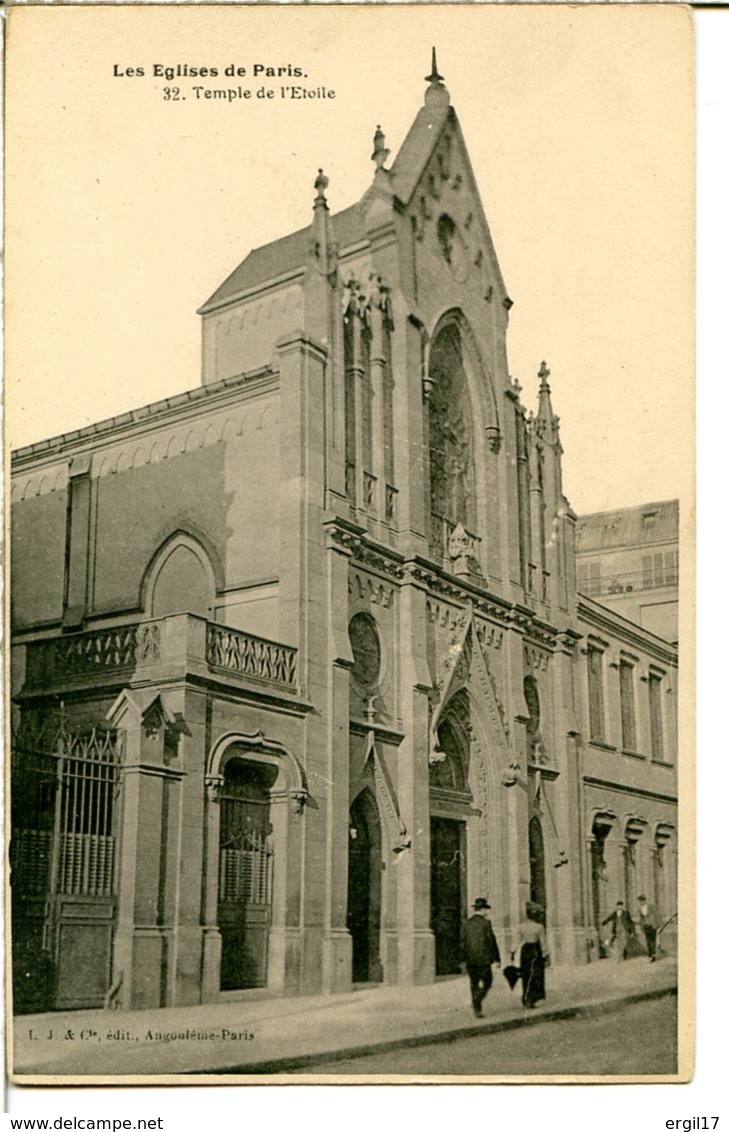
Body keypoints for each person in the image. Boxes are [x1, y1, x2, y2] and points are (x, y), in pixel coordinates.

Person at [462, 897, 501, 1017]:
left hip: (470, 958)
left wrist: (463, 958)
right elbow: (491, 941)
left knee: (474, 983)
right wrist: (497, 959)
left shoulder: (466, 923)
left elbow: (462, 942)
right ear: (483, 910)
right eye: (486, 909)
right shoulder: (486, 923)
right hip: (483, 959)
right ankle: (477, 1001)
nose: (487, 912)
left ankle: (477, 1009)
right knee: (487, 982)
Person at [513, 902, 549, 1009]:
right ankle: (532, 998)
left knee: (526, 975)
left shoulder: (521, 927)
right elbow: (543, 943)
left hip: (525, 952)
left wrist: (512, 951)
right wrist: (546, 954)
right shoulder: (539, 927)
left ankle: (525, 997)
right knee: (536, 975)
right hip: (535, 951)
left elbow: (516, 940)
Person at [636, 894, 658, 961]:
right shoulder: (640, 909)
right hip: (646, 926)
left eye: (642, 901)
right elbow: (641, 918)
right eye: (640, 901)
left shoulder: (651, 907)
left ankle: (653, 955)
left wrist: (655, 924)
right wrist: (641, 925)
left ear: (645, 900)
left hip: (652, 926)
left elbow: (655, 915)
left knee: (653, 941)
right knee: (648, 941)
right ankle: (650, 954)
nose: (641, 902)